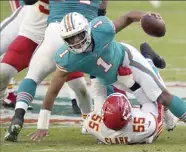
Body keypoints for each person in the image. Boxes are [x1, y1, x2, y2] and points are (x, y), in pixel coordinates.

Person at [29, 11, 186, 145]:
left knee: (161, 96)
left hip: (127, 60)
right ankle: (150, 57)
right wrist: (42, 124)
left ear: (87, 30)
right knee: (106, 118)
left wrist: (145, 17)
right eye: (70, 39)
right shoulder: (65, 57)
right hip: (106, 78)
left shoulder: (102, 29)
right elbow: (52, 90)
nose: (76, 42)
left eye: (78, 35)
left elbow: (128, 17)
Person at [4, 0, 108, 142]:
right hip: (85, 34)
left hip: (56, 32)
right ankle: (94, 122)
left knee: (32, 77)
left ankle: (18, 116)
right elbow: (102, 12)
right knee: (98, 79)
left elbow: (28, 1)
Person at [83, 93, 164, 144]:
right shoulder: (146, 124)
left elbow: (89, 119)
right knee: (156, 98)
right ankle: (170, 119)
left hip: (107, 134)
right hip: (140, 134)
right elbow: (156, 124)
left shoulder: (90, 122)